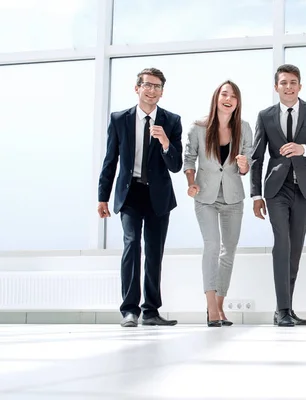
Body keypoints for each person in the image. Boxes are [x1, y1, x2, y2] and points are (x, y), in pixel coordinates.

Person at [250, 64, 306, 327]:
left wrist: (304, 149)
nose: (288, 87)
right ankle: (282, 309)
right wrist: (255, 195)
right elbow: (256, 158)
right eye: (283, 82)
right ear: (276, 87)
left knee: (295, 248)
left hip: (305, 188)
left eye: (293, 82)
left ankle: (287, 308)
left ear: (300, 86)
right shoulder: (265, 116)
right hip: (276, 189)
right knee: (283, 244)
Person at [97, 67, 182, 328]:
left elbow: (176, 165)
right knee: (132, 245)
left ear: (162, 91)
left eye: (157, 86)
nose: (152, 90)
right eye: (147, 85)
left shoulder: (172, 120)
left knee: (154, 252)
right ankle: (129, 311)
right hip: (130, 192)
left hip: (158, 196)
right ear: (137, 88)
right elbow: (111, 160)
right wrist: (103, 196)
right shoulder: (120, 119)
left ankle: (151, 311)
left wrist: (166, 143)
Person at [183, 80, 252, 327]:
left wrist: (245, 166)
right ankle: (211, 308)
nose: (229, 98)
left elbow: (247, 164)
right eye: (224, 93)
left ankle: (221, 306)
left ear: (237, 102)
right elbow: (189, 159)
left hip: (234, 197)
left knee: (228, 251)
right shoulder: (198, 127)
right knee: (212, 246)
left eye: (233, 95)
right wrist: (191, 181)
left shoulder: (244, 128)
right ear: (216, 98)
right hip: (205, 197)